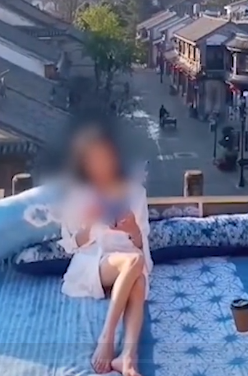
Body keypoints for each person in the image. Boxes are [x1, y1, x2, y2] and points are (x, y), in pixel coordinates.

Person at [58, 126, 153, 376]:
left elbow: (141, 243)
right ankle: (107, 336)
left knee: (139, 277)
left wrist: (132, 229)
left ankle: (128, 356)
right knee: (135, 262)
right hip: (92, 263)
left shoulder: (135, 193)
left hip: (127, 259)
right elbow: (71, 245)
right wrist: (89, 224)